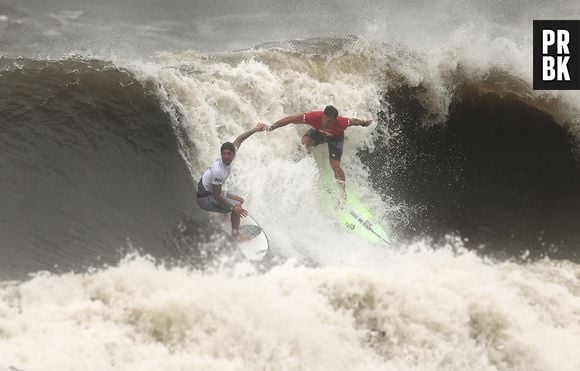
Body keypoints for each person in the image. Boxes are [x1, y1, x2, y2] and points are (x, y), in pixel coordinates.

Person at [265, 105, 372, 200]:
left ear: (335, 120)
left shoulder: (342, 122)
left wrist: (363, 123)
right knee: (305, 142)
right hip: (320, 133)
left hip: (335, 138)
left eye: (329, 121)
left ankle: (343, 193)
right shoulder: (314, 117)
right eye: (324, 118)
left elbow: (353, 121)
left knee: (335, 165)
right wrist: (272, 127)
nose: (325, 122)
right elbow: (291, 119)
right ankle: (310, 167)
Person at [196, 123, 267, 240]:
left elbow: (240, 139)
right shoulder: (218, 171)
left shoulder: (232, 156)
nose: (226, 157)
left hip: (210, 192)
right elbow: (217, 195)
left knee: (240, 200)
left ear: (233, 153)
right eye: (223, 154)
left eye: (229, 154)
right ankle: (236, 235)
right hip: (204, 198)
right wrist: (233, 208)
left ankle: (224, 216)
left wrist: (255, 129)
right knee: (237, 205)